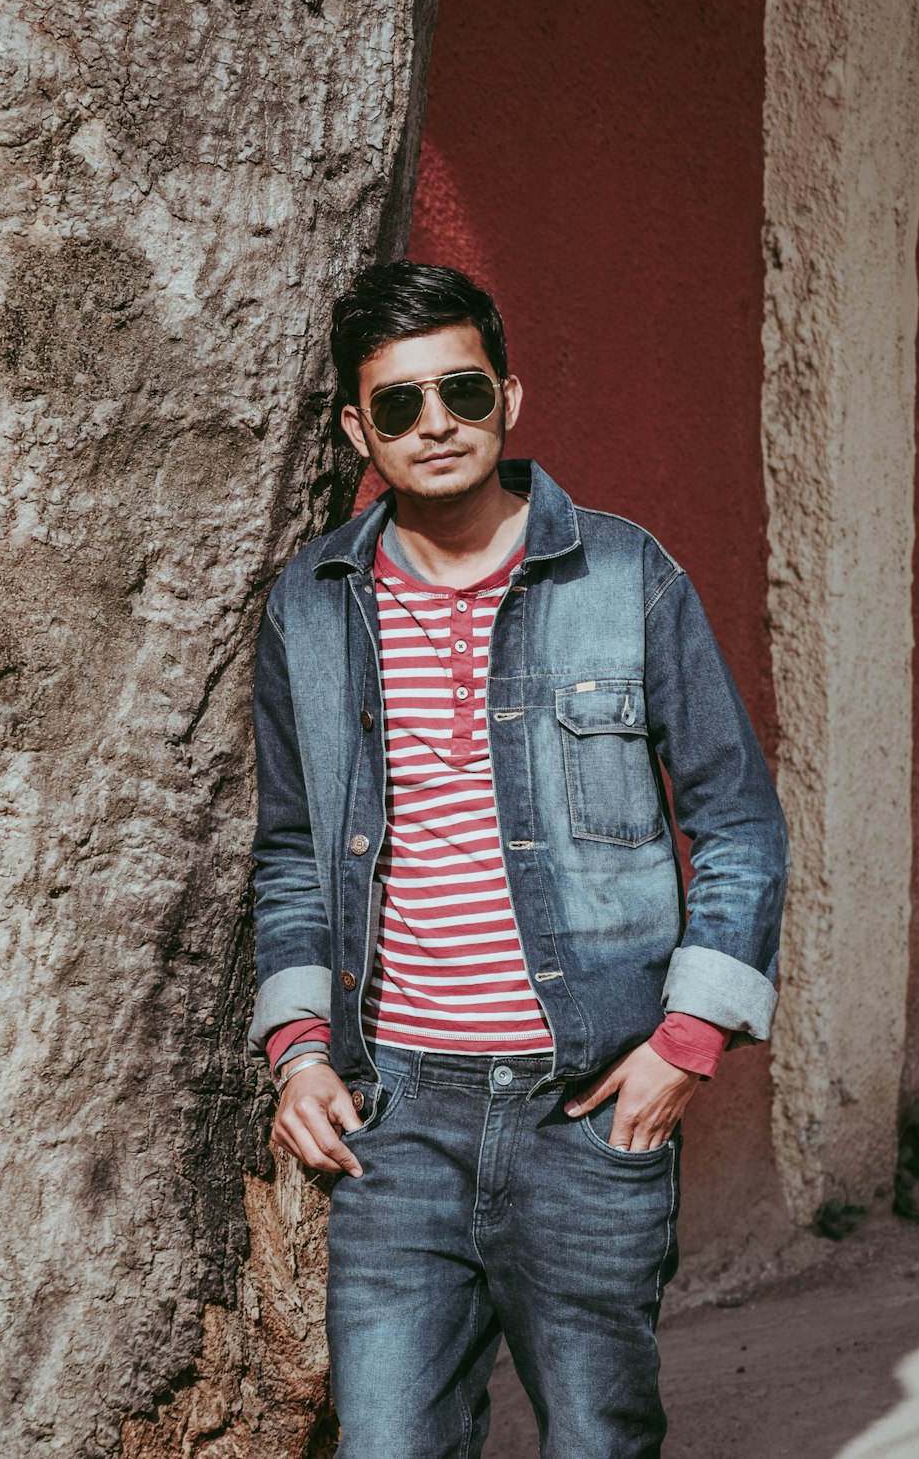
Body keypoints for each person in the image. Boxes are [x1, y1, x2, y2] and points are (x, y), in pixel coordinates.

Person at [248, 260, 788, 1457]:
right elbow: (290, 848)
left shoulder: (622, 576)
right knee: (385, 1441)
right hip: (395, 1113)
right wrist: (295, 1053)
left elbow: (739, 819)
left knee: (598, 1437)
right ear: (357, 428)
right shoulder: (313, 605)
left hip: (587, 1104)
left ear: (509, 397)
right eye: (398, 405)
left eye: (461, 391)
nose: (434, 423)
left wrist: (687, 1040)